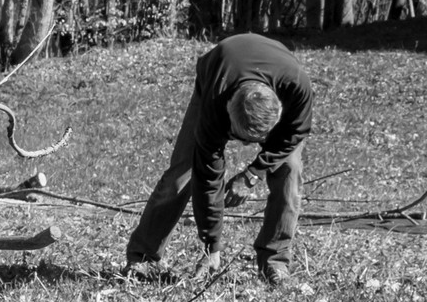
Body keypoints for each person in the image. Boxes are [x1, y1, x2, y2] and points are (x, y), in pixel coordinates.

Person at [125, 32, 313, 286]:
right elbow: (208, 179)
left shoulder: (297, 87)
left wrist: (254, 173)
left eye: (254, 140)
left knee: (289, 171)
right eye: (241, 137)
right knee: (183, 173)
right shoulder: (214, 106)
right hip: (219, 67)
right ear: (227, 114)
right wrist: (212, 244)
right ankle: (143, 257)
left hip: (276, 73)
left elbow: (296, 132)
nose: (247, 145)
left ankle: (275, 262)